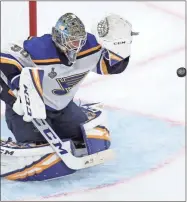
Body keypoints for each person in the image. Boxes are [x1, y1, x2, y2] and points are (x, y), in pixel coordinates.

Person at [0, 13, 137, 145]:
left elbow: (111, 68)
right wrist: (17, 88)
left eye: (80, 41)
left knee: (84, 136)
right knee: (35, 143)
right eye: (72, 41)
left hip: (62, 108)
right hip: (27, 109)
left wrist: (121, 47)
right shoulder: (40, 49)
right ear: (59, 37)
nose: (77, 46)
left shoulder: (90, 46)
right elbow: (4, 57)